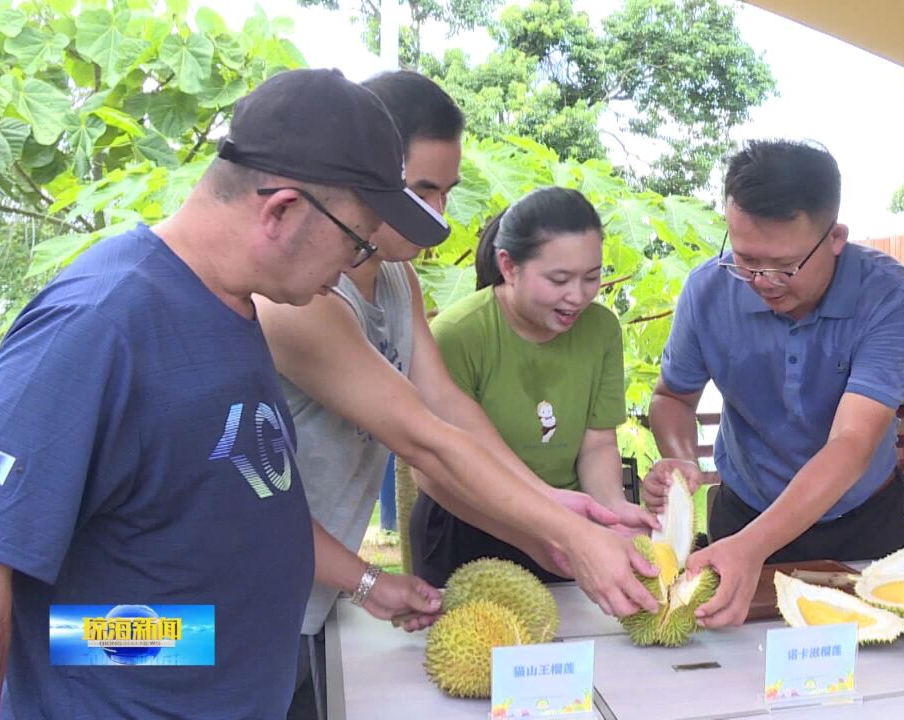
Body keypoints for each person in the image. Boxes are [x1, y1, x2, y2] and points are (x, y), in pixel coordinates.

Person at [0, 68, 449, 719]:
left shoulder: (234, 312)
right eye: (356, 242)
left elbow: (250, 502)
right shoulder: (102, 320)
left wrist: (367, 584)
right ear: (283, 210)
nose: (356, 266)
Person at [257, 72, 660, 718]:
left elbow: (449, 407)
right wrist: (562, 531)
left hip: (302, 596)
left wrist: (548, 503)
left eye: (445, 191)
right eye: (421, 190)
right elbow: (422, 437)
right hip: (188, 618)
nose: (438, 214)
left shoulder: (395, 279)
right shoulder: (300, 299)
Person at [642, 139, 904, 630]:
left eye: (783, 266)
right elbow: (673, 398)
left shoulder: (891, 296)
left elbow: (851, 442)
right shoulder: (708, 290)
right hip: (744, 514)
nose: (761, 279)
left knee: (879, 679)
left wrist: (755, 547)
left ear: (835, 237)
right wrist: (682, 460)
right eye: (745, 258)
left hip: (864, 525)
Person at [411, 187, 635, 587]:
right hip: (467, 521)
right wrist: (532, 526)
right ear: (509, 267)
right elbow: (432, 468)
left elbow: (598, 443)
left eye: (592, 277)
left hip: (569, 521)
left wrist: (612, 509)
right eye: (559, 279)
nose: (578, 296)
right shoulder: (457, 334)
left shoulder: (602, 330)